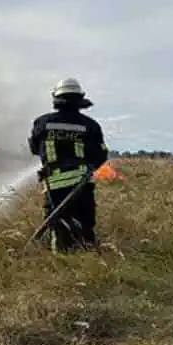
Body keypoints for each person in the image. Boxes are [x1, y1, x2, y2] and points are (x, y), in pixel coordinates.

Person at [28, 77, 108, 252]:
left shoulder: (42, 123)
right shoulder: (90, 125)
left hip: (53, 184)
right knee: (84, 225)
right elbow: (101, 155)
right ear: (79, 98)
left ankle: (60, 260)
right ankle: (86, 260)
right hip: (81, 184)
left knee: (57, 224)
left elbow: (34, 148)